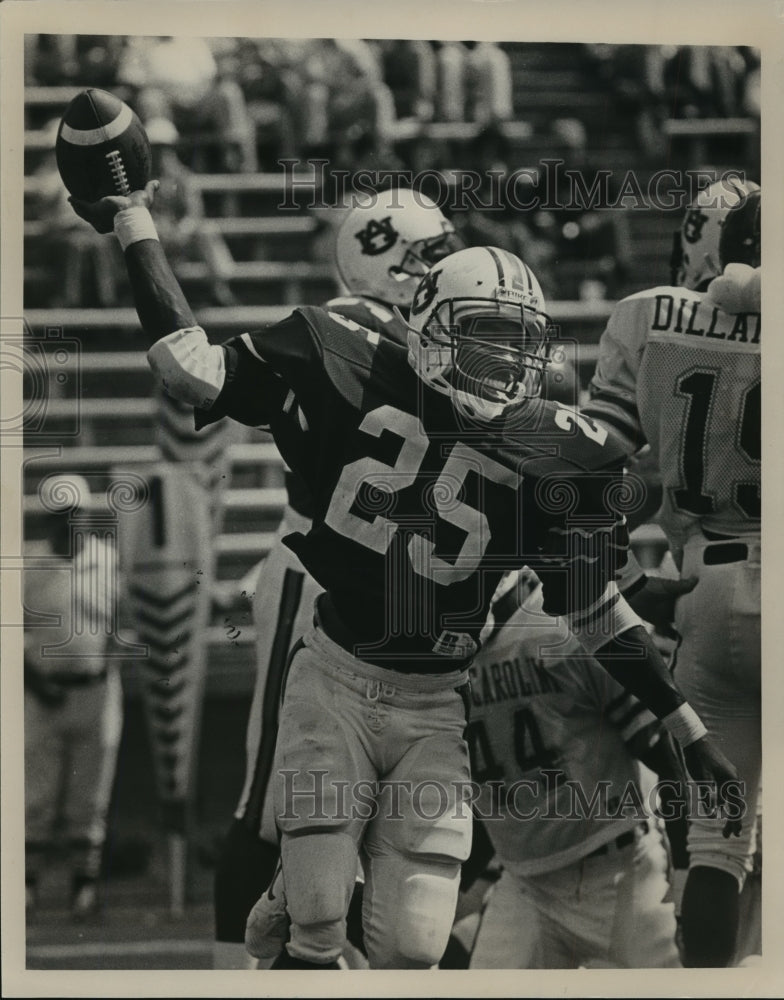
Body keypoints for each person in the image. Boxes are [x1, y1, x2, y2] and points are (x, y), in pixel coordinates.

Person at [70, 180, 741, 970]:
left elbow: (591, 608)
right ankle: (294, 898)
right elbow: (188, 369)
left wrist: (686, 726)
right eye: (481, 335)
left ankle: (301, 886)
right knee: (321, 913)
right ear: (427, 323)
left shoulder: (552, 446)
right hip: (338, 672)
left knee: (418, 943)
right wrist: (131, 219)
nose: (499, 361)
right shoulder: (340, 352)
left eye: (514, 341)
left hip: (434, 700)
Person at [212, 189, 465, 969]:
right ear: (390, 265)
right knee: (269, 799)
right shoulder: (348, 328)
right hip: (318, 574)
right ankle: (233, 970)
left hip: (400, 587)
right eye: (430, 256)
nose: (445, 267)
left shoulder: (425, 336)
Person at [582, 187, 761, 967]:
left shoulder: (646, 315)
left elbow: (596, 467)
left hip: (704, 589)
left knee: (720, 840)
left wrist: (618, 569)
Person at [444, 568, 684, 969]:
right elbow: (499, 793)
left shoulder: (568, 626)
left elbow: (671, 758)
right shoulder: (447, 658)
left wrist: (688, 873)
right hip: (524, 884)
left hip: (620, 870)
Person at [24, 474, 124, 920]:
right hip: (40, 694)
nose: (69, 522)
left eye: (76, 513)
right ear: (48, 518)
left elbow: (123, 626)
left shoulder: (107, 562)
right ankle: (26, 884)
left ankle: (85, 888)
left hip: (96, 691)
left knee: (90, 797)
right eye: (61, 515)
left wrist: (110, 663)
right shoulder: (29, 565)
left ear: (86, 515)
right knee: (37, 795)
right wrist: (34, 680)